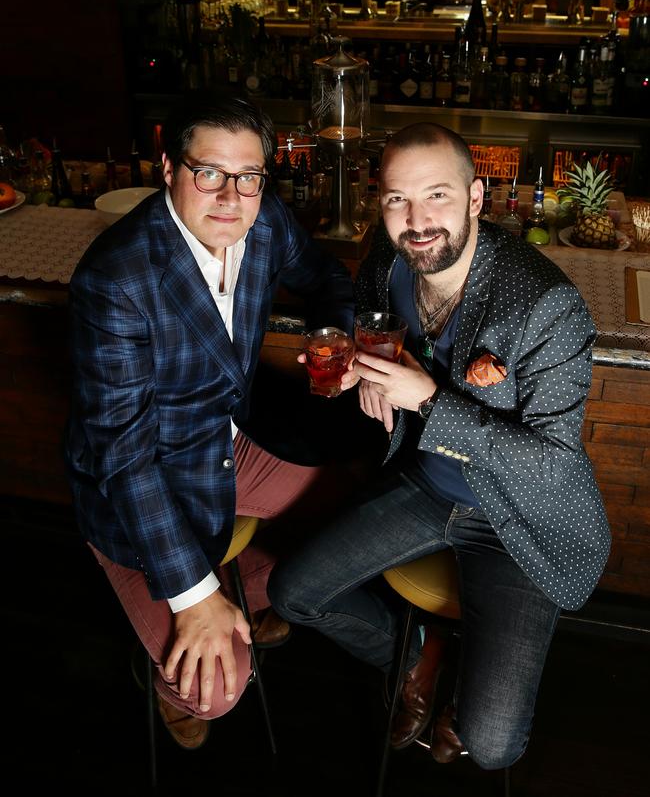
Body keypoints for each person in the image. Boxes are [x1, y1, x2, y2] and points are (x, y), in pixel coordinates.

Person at [269, 122, 611, 770]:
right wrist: (366, 366)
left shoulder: (548, 308)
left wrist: (424, 398)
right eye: (398, 199)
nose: (417, 220)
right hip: (424, 485)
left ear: (477, 198)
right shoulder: (387, 258)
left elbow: (552, 467)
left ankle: (466, 692)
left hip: (518, 522)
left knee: (492, 747)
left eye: (438, 196)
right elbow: (370, 317)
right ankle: (417, 649)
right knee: (294, 594)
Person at [64, 97, 357, 750]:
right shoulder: (115, 279)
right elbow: (123, 456)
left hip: (232, 440)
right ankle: (196, 626)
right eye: (210, 173)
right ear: (169, 168)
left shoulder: (266, 222)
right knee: (213, 691)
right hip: (140, 486)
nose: (231, 196)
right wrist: (193, 598)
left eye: (248, 176)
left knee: (356, 504)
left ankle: (250, 587)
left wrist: (332, 340)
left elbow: (327, 276)